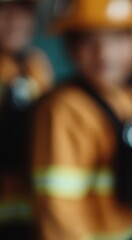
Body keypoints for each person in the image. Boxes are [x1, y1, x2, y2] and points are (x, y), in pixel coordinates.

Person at [31, 0, 132, 239]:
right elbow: (59, 212)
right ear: (71, 47)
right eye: (88, 40)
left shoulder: (129, 97)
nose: (104, 53)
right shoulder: (64, 109)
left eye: (117, 37)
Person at [0, 0, 52, 237]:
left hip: (29, 210)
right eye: (3, 10)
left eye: (23, 12)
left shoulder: (35, 65)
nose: (14, 22)